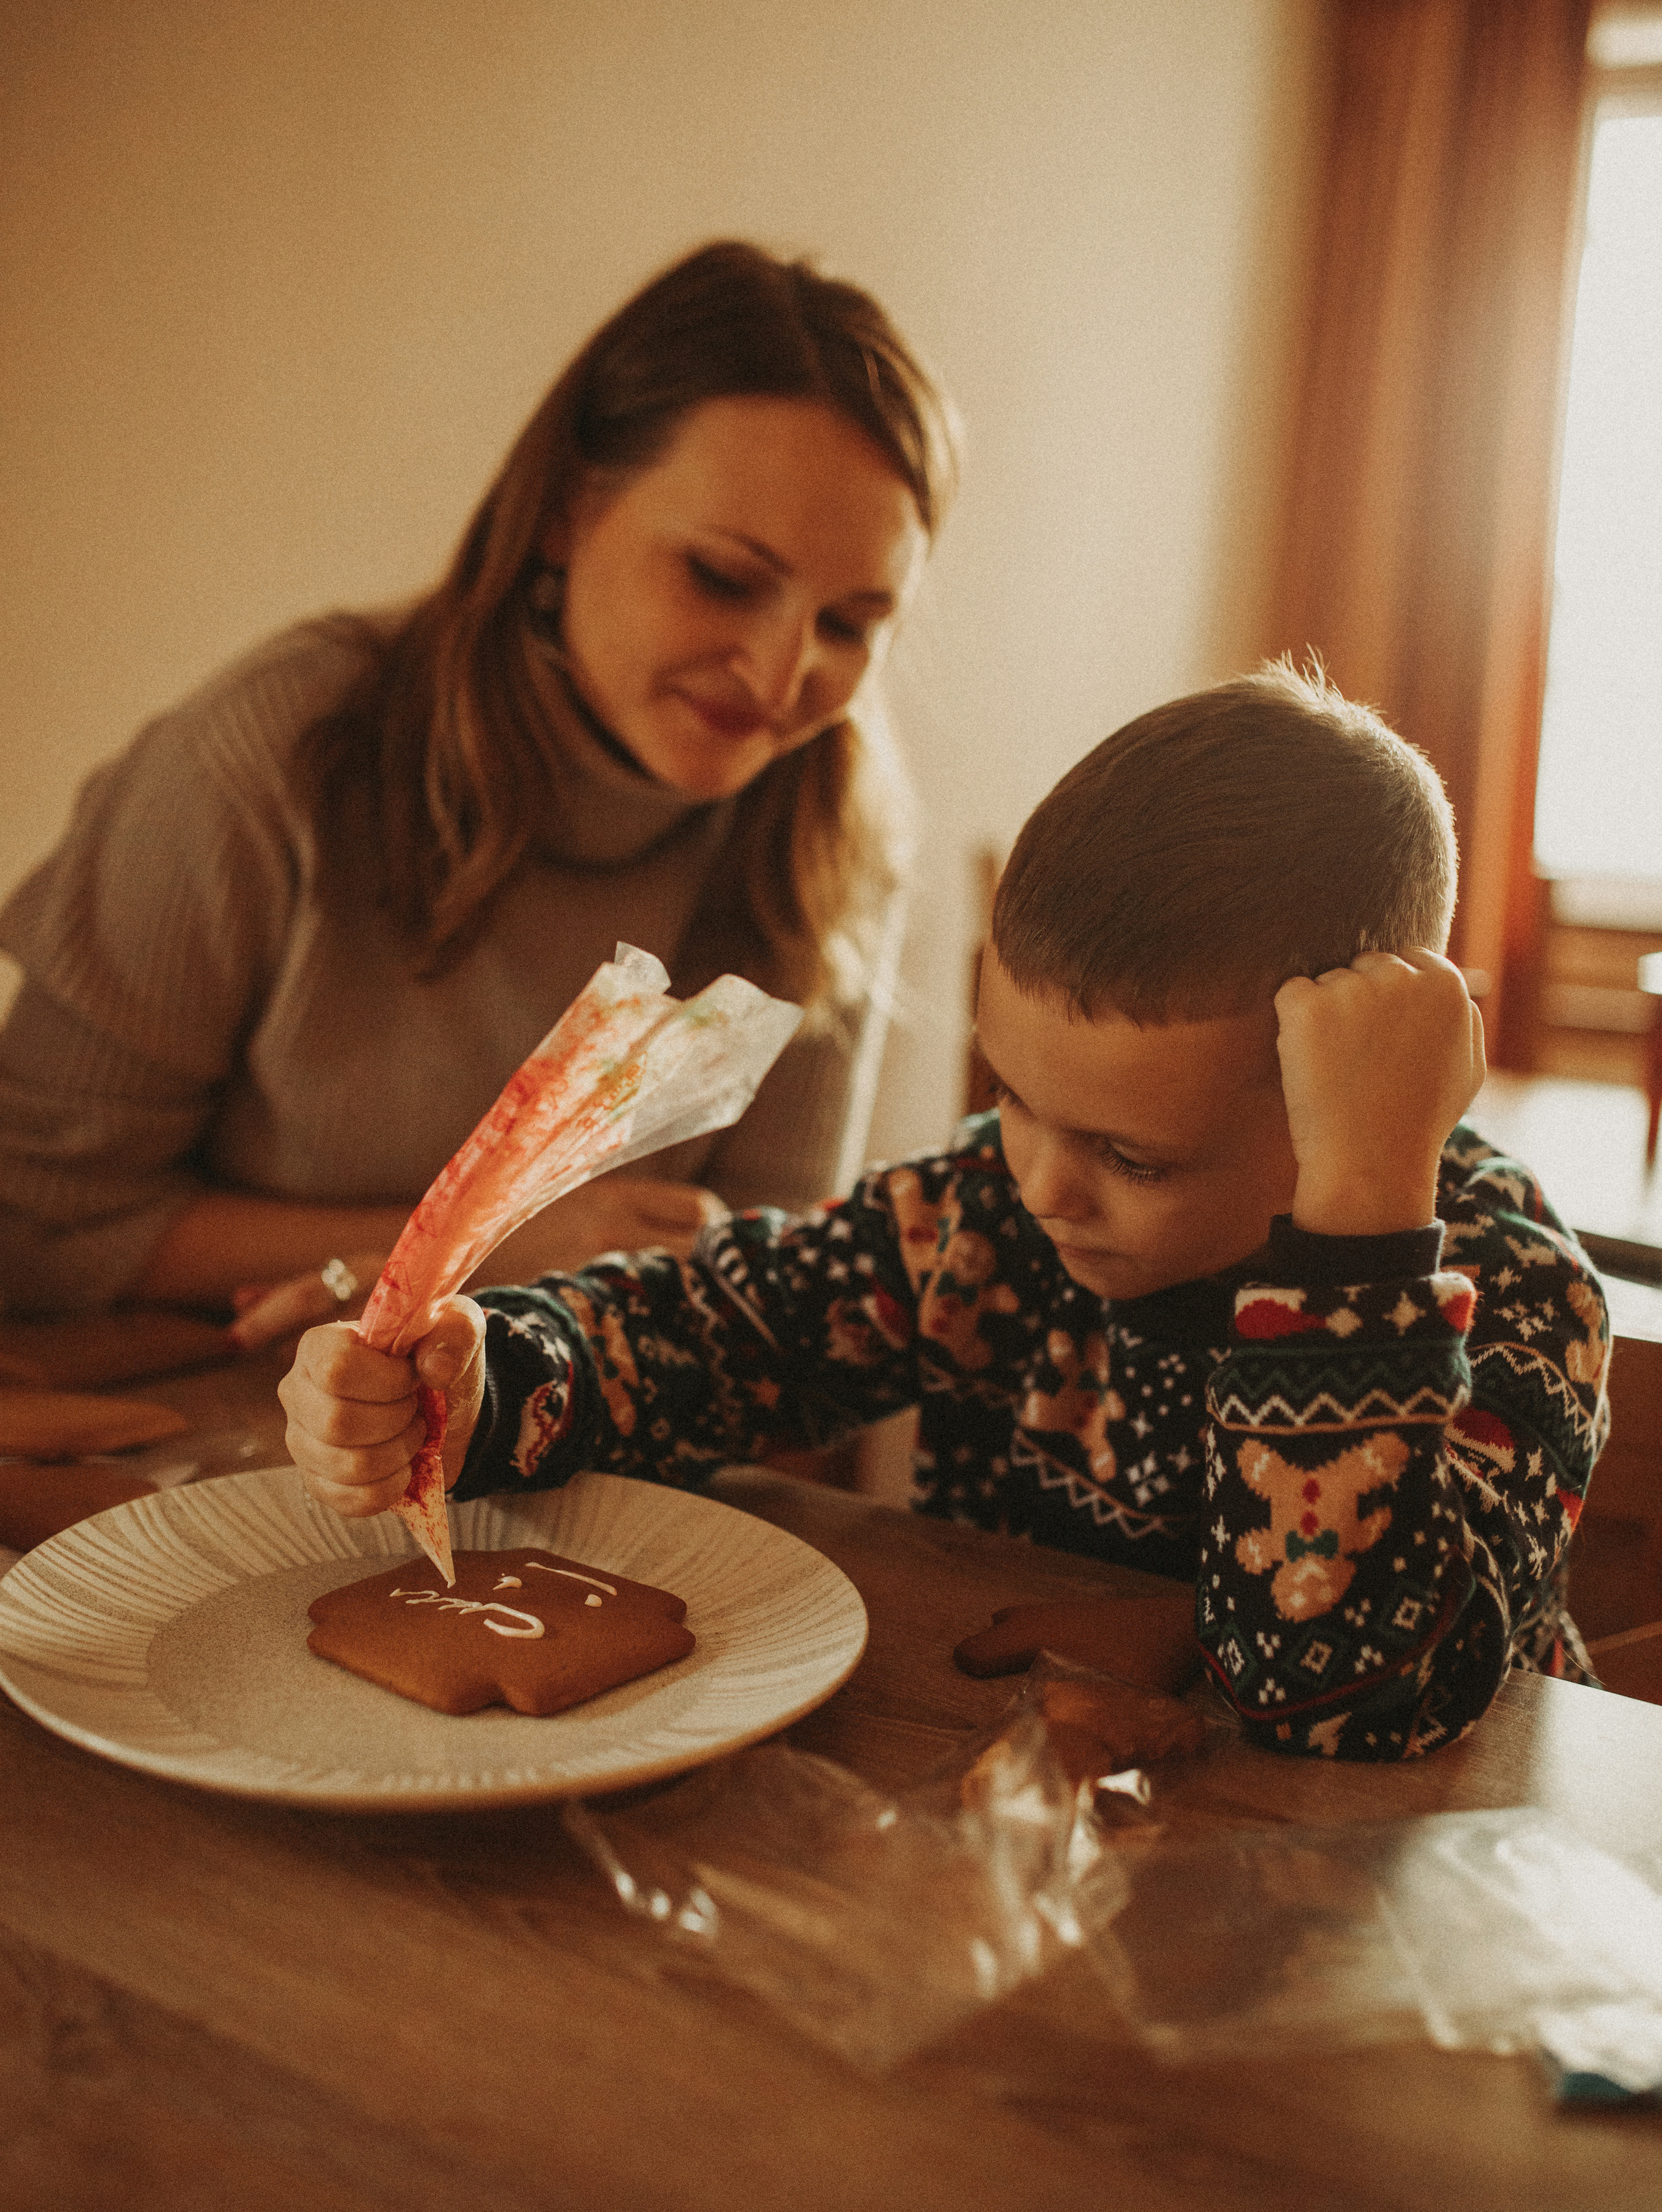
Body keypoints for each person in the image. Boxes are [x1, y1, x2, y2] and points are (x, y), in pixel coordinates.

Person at [279, 662, 1611, 1761]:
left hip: (1389, 1922)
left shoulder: (1513, 1299)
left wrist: (1362, 1227)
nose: (1040, 1182)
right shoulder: (987, 1212)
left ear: (1349, 1104)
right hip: (1033, 1835)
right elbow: (719, 1330)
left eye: (1129, 1157)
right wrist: (489, 1372)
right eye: (1013, 1097)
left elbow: (1340, 1698)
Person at [0, 242, 957, 1345]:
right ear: (562, 509)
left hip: (582, 1458)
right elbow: (41, 1229)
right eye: (725, 579)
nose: (784, 679)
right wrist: (477, 1244)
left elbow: (760, 1318)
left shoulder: (833, 836)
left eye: (849, 625)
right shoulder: (269, 760)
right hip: (197, 1441)